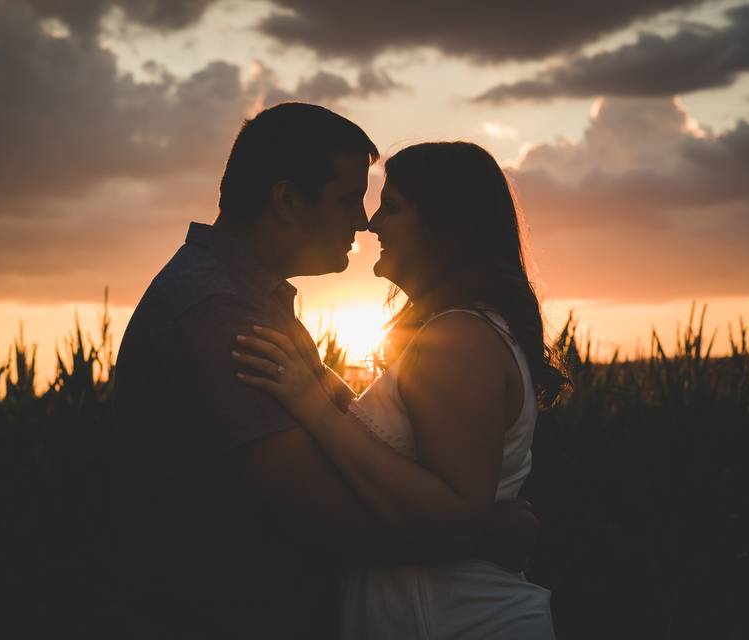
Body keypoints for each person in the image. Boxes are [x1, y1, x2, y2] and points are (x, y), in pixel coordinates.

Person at [108, 105, 539, 638]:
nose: (364, 220)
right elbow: (322, 511)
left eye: (382, 204)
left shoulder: (249, 304)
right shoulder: (218, 314)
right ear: (287, 201)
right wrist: (484, 533)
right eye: (349, 198)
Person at [233, 141, 568, 638]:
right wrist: (321, 381)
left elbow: (456, 510)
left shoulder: (459, 339)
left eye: (391, 207)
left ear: (441, 224)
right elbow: (398, 450)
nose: (371, 224)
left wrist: (314, 407)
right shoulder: (457, 331)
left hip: (462, 622)